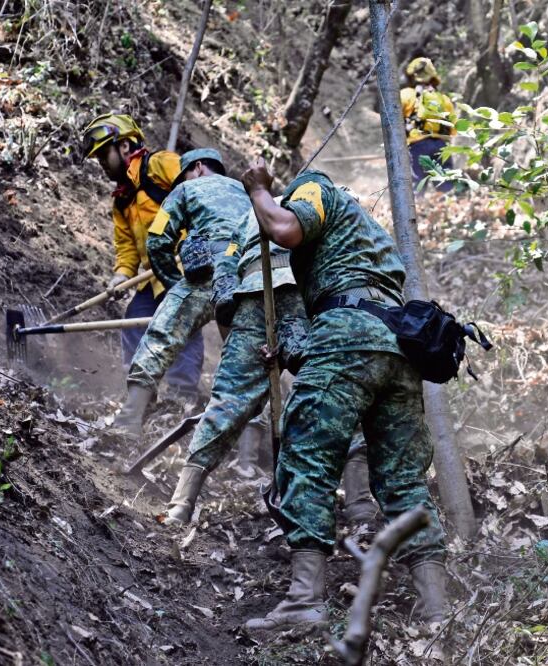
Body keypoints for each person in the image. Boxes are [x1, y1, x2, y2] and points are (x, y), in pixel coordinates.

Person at [239, 159, 449, 635]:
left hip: (349, 334)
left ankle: (303, 602)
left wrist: (259, 191)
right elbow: (358, 315)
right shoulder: (366, 237)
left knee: (307, 456)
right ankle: (439, 609)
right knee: (402, 481)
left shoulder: (314, 188)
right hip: (398, 346)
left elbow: (285, 229)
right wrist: (293, 351)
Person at [162, 205, 378, 526]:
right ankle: (359, 503)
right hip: (306, 294)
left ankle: (181, 503)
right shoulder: (326, 204)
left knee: (228, 399)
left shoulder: (245, 216)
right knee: (341, 389)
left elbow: (225, 264)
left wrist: (230, 311)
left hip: (252, 297)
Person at [112, 148, 252, 438]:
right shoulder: (247, 192)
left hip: (209, 274)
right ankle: (247, 454)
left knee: (160, 337)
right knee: (247, 362)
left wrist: (174, 284)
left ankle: (128, 424)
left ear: (198, 167)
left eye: (185, 175)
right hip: (248, 278)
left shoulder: (187, 189)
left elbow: (157, 240)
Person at [81, 113, 204, 400]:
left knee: (182, 325)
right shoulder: (122, 199)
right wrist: (120, 276)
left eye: (103, 155)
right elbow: (126, 248)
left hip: (185, 268)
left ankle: (181, 397)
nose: (100, 164)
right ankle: (141, 396)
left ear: (124, 146)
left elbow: (200, 192)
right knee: (134, 323)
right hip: (153, 277)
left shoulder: (160, 165)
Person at [399, 57, 456, 191]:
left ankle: (419, 211)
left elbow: (394, 125)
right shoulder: (444, 99)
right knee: (446, 186)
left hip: (416, 146)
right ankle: (447, 208)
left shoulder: (404, 95)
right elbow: (453, 130)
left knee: (417, 188)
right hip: (442, 146)